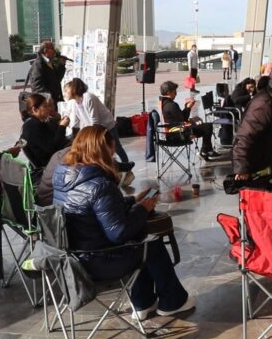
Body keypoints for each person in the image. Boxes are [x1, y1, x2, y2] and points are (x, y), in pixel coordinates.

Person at [52, 125, 195, 319]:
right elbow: (119, 232)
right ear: (103, 150)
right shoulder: (100, 185)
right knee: (148, 242)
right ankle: (172, 301)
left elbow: (97, 211)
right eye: (111, 151)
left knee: (138, 241)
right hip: (97, 262)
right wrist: (143, 208)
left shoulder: (62, 175)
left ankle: (143, 303)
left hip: (70, 258)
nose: (113, 156)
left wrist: (134, 200)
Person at [232, 66, 272, 191]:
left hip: (268, 168)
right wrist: (241, 167)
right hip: (255, 173)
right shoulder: (263, 105)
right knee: (259, 208)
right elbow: (245, 136)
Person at [63, 78, 134, 171]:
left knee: (117, 147)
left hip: (107, 126)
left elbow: (95, 120)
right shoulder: (74, 103)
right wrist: (76, 137)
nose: (64, 93)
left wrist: (91, 136)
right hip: (94, 129)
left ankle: (126, 167)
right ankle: (112, 169)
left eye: (66, 90)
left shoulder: (88, 97)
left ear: (73, 89)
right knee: (102, 151)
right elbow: (76, 122)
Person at [158, 81, 220, 160]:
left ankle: (208, 151)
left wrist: (186, 107)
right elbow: (183, 119)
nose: (176, 94)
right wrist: (188, 107)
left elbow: (179, 118)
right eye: (174, 92)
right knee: (207, 126)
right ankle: (205, 151)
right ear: (168, 92)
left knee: (204, 126)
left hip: (169, 134)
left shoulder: (163, 103)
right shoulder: (172, 105)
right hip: (178, 135)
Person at [20, 94, 70, 169]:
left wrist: (57, 120)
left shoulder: (34, 122)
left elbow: (54, 138)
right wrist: (62, 127)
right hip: (48, 165)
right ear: (35, 109)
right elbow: (55, 147)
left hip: (50, 160)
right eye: (45, 106)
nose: (49, 109)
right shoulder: (33, 126)